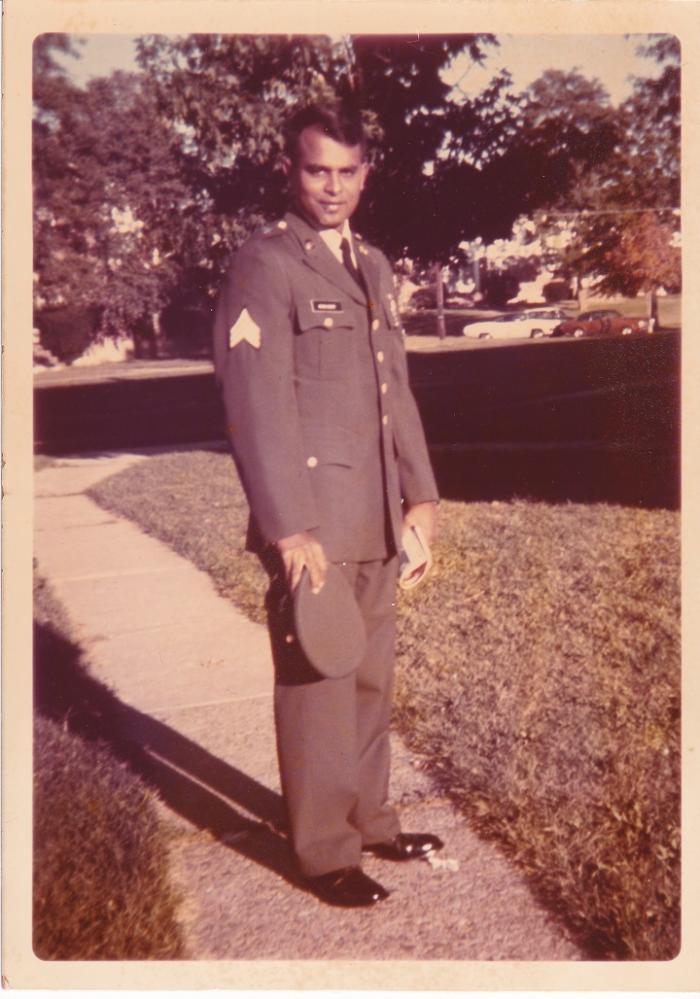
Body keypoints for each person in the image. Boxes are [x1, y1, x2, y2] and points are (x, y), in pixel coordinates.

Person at [213, 101, 442, 907]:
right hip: (315, 516)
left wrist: (420, 496)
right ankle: (324, 850)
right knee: (319, 684)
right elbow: (255, 402)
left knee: (370, 676)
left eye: (348, 171)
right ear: (291, 170)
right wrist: (289, 527)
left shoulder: (371, 263)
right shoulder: (266, 263)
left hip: (374, 508)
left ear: (366, 173)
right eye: (318, 170)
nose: (333, 186)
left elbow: (393, 391)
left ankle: (370, 819)